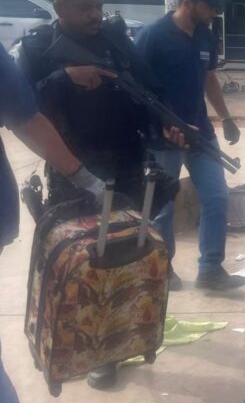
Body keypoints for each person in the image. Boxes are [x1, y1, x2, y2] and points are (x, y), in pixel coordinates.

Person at [15, 0, 184, 390]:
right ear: (59, 8)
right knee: (90, 260)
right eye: (84, 8)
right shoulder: (37, 47)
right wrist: (64, 78)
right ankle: (90, 350)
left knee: (126, 254)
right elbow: (22, 108)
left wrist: (166, 125)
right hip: (73, 168)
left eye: (98, 6)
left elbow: (146, 89)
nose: (95, 15)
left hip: (126, 161)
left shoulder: (115, 38)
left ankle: (122, 338)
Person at [2, 42, 113, 403]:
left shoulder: (114, 45)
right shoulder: (39, 48)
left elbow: (24, 115)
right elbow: (26, 117)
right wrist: (85, 179)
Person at [136, 0, 245, 292]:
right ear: (188, 4)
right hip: (162, 141)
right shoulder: (152, 37)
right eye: (209, 9)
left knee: (217, 197)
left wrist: (225, 117)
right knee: (163, 208)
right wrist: (161, 126)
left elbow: (209, 79)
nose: (212, 15)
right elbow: (137, 92)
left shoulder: (205, 37)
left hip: (201, 135)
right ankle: (163, 269)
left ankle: (210, 269)